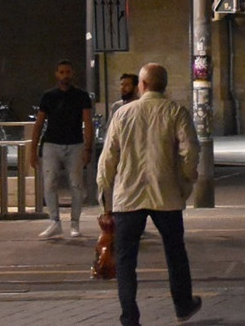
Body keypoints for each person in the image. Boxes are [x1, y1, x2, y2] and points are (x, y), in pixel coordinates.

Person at [98, 62, 202, 326]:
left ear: (141, 85)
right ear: (164, 85)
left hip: (128, 197)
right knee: (175, 252)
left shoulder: (122, 114)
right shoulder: (175, 111)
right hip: (166, 193)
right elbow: (190, 151)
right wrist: (187, 178)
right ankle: (183, 305)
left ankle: (129, 317)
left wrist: (105, 202)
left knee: (125, 259)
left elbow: (108, 159)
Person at [30, 58, 95, 239]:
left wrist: (88, 148)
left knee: (76, 184)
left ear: (72, 74)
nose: (65, 75)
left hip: (75, 143)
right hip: (51, 143)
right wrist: (33, 149)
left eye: (68, 72)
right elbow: (39, 122)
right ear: (57, 74)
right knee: (49, 182)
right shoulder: (48, 96)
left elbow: (87, 122)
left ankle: (75, 223)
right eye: (62, 72)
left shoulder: (82, 96)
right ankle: (54, 221)